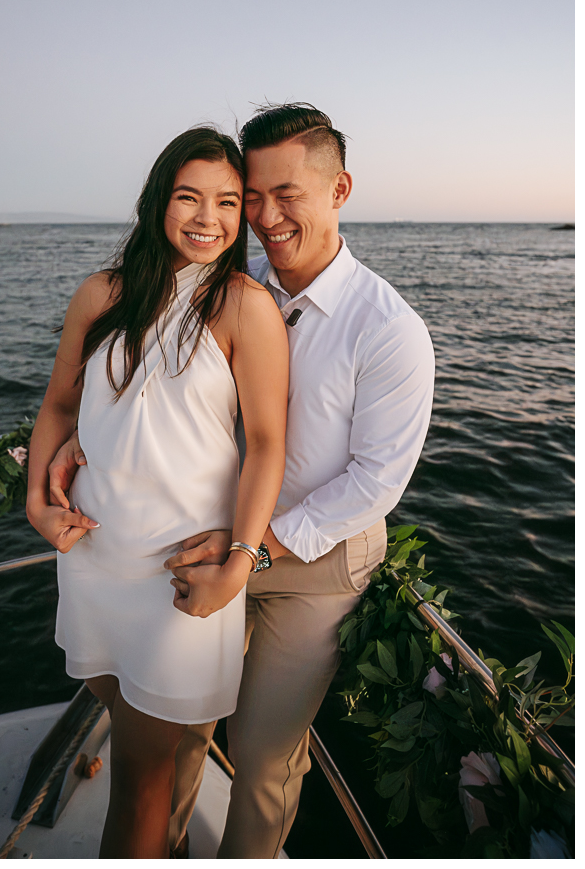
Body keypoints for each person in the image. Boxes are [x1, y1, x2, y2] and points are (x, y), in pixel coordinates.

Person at [50, 103, 436, 859]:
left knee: (260, 755)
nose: (262, 216)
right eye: (249, 196)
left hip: (311, 562)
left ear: (339, 190)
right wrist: (74, 440)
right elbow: (164, 392)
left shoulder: (388, 330)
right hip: (211, 534)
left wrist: (251, 552)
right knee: (180, 728)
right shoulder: (232, 283)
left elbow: (374, 483)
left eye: (284, 195)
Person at [26, 126, 289, 859]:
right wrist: (35, 501)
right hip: (94, 557)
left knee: (143, 778)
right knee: (132, 734)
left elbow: (267, 443)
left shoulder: (243, 306)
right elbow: (58, 407)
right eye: (189, 197)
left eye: (228, 203)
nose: (208, 218)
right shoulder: (101, 294)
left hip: (181, 577)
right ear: (157, 201)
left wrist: (238, 562)